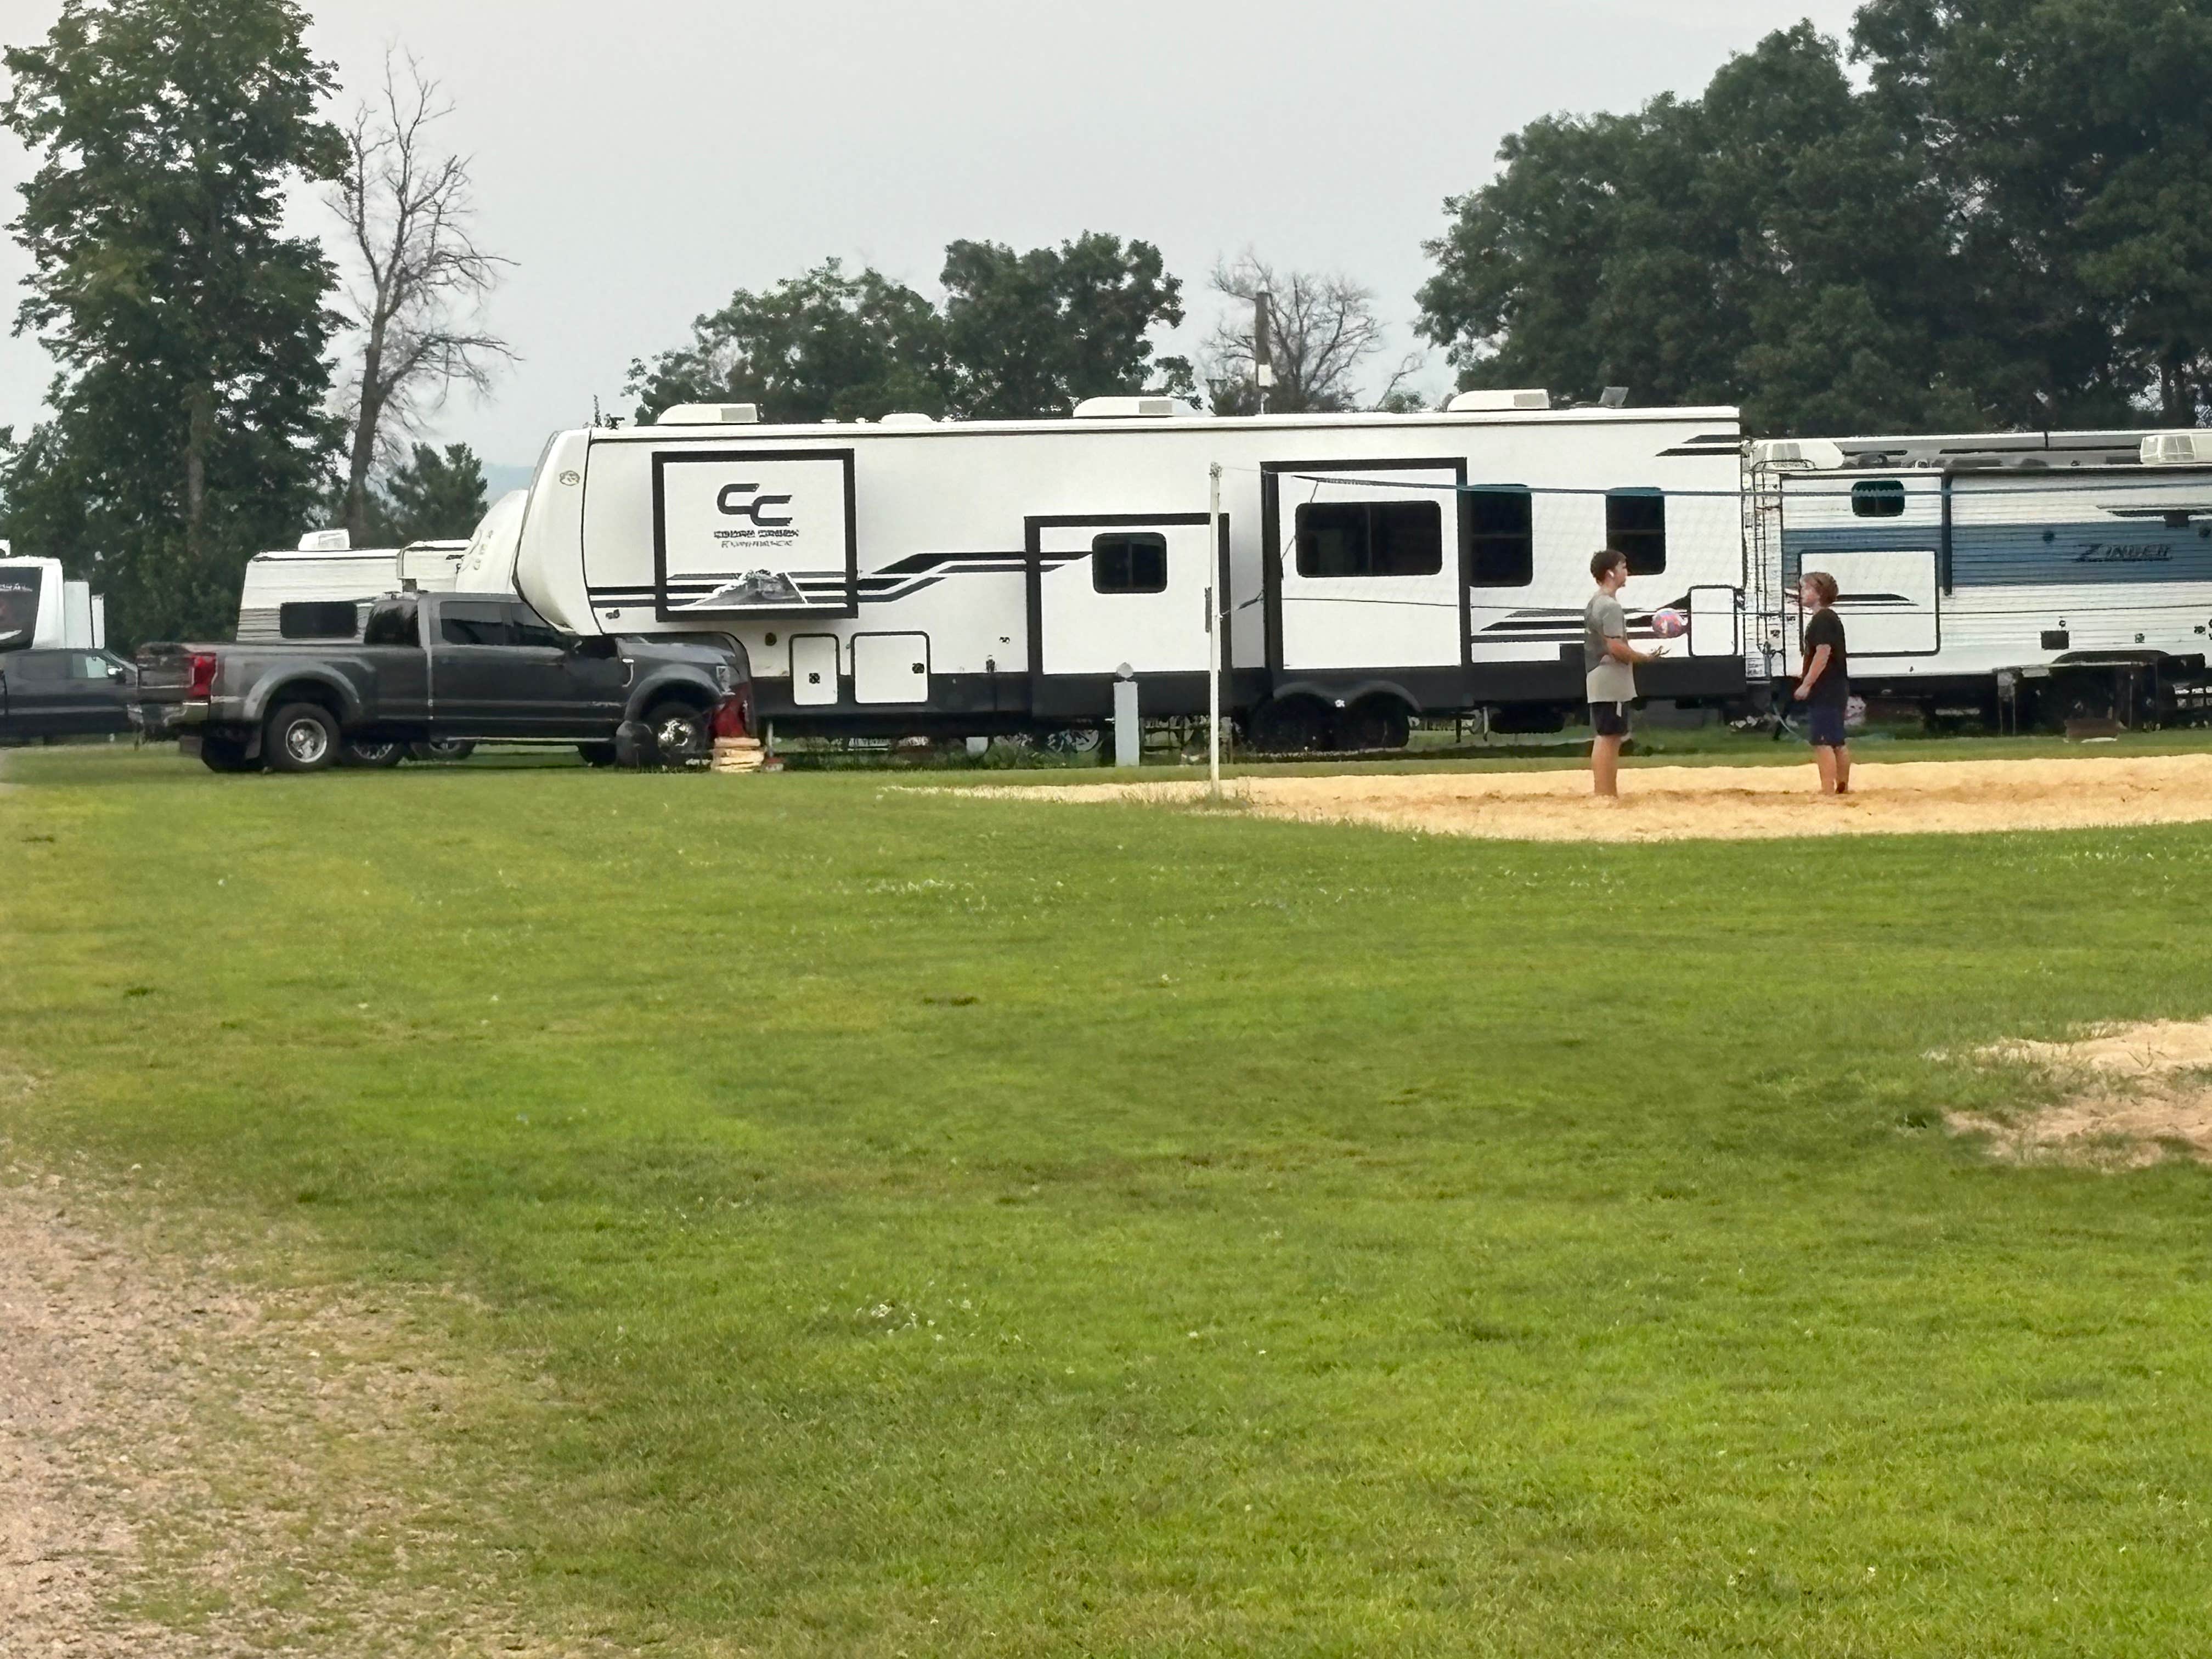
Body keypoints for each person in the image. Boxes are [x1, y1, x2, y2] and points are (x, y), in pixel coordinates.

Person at [1584, 548, 1664, 797]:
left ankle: (1604, 793)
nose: (1626, 572)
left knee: (1606, 734)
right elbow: (1616, 647)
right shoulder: (1610, 607)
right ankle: (1606, 794)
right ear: (1610, 572)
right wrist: (1644, 658)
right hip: (1610, 678)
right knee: (1610, 737)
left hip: (1598, 675)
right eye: (1623, 567)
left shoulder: (1595, 602)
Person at [1793, 570, 1851, 794]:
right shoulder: (1830, 618)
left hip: (1826, 688)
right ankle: (1842, 787)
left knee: (1823, 741)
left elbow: (1823, 653)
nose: (1801, 593)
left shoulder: (1822, 619)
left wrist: (1807, 683)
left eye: (1805, 588)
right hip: (1836, 687)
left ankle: (1828, 789)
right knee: (1837, 740)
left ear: (1819, 593)